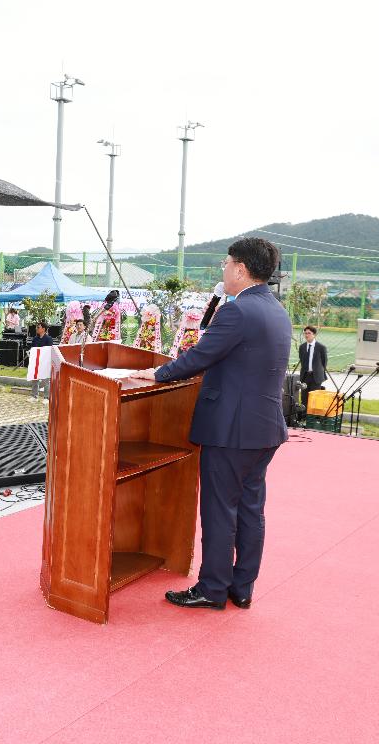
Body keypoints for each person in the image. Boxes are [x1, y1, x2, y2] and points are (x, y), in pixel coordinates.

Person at [130, 237, 290, 610]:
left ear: (240, 269)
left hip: (231, 430)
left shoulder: (237, 312)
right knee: (251, 508)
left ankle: (213, 588)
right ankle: (242, 587)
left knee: (220, 510)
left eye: (226, 264)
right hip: (263, 428)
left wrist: (156, 375)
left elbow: (201, 356)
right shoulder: (276, 310)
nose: (223, 270)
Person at [297, 326, 328, 410]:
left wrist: (319, 372)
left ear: (314, 335)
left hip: (316, 377)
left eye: (309, 333)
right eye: (305, 333)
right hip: (305, 376)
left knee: (314, 398)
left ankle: (313, 418)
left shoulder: (321, 347)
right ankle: (303, 417)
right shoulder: (302, 347)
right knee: (304, 397)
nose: (307, 335)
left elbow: (324, 362)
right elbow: (302, 360)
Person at [28, 321, 53, 402]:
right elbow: (33, 349)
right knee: (34, 378)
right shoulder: (35, 339)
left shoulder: (48, 339)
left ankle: (46, 397)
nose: (36, 329)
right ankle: (34, 396)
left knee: (46, 380)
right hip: (36, 362)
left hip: (45, 362)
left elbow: (48, 350)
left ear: (43, 329)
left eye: (38, 327)